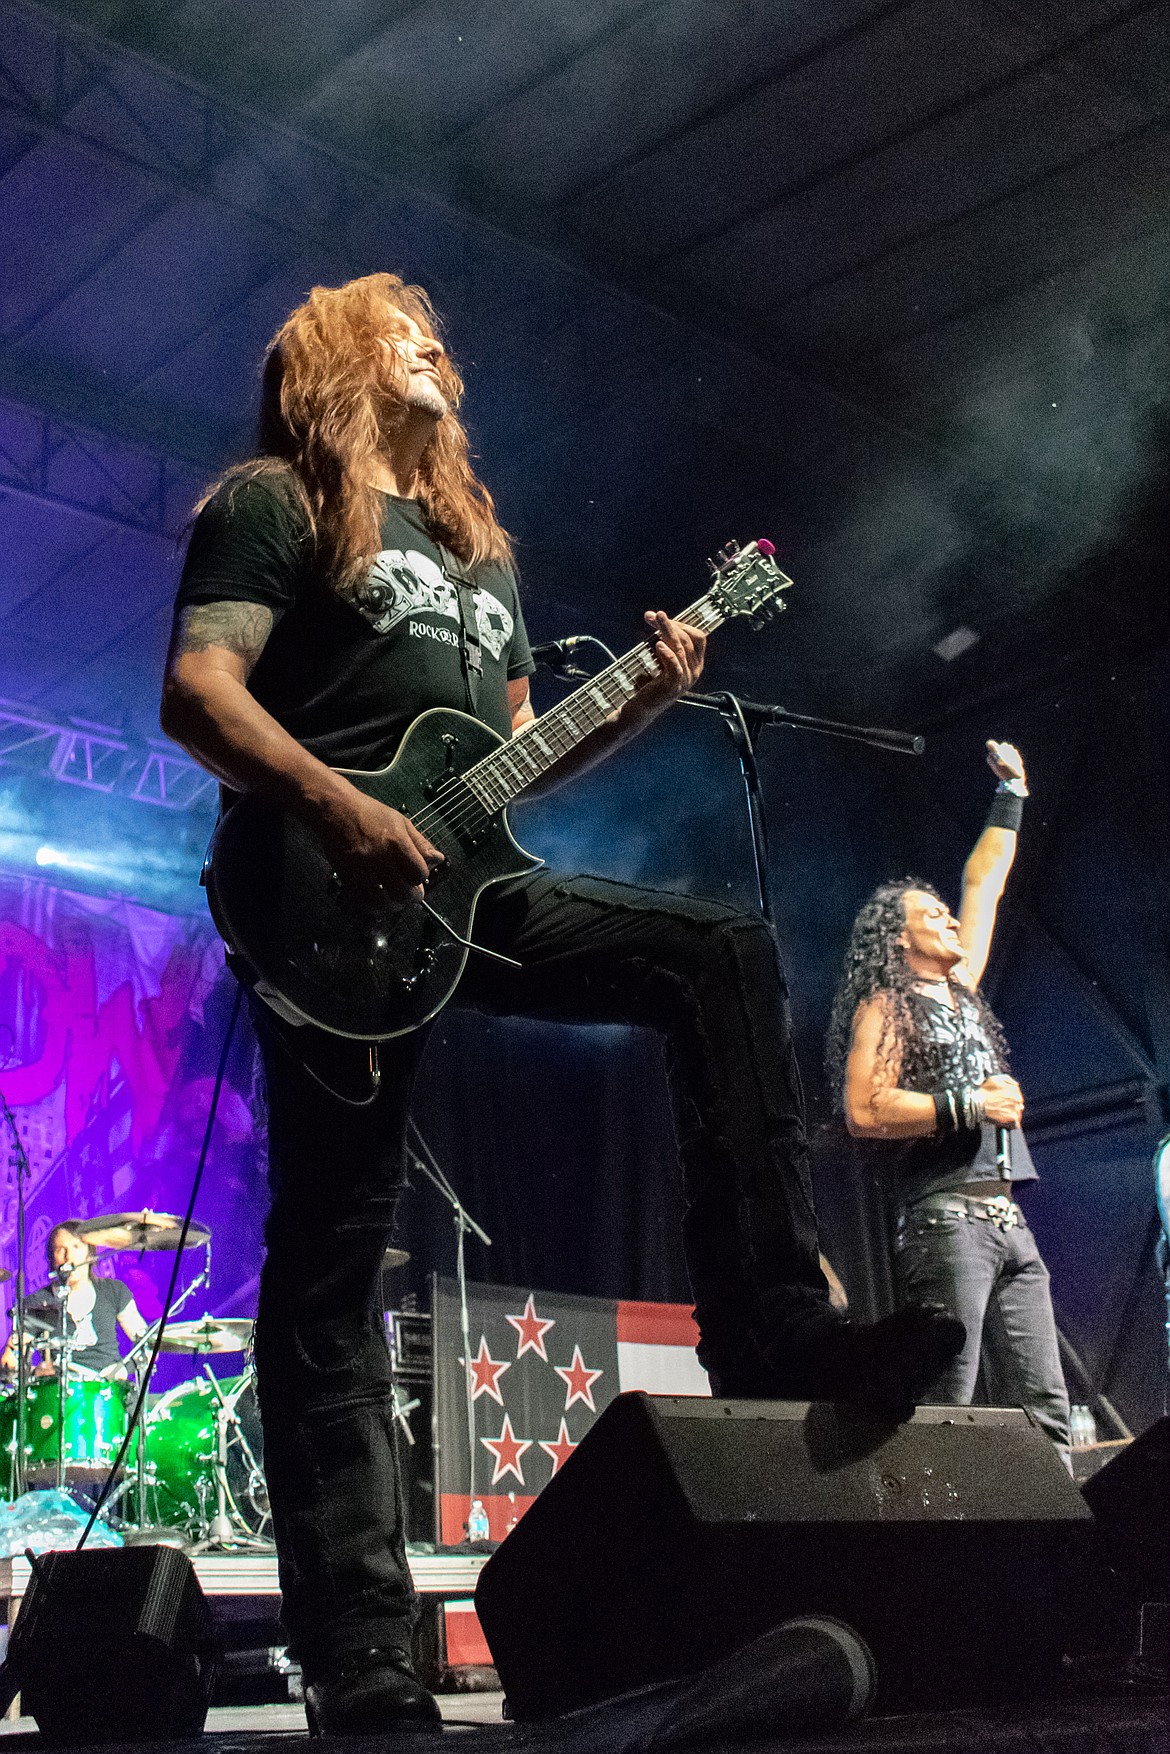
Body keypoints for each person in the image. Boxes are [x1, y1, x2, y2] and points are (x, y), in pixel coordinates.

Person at [160, 271, 963, 1736]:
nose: (434, 347)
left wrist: (644, 701)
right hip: (319, 899)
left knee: (714, 949)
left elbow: (508, 764)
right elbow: (200, 690)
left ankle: (776, 1328)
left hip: (466, 887)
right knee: (331, 1261)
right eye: (401, 330)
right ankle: (357, 1649)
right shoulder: (273, 503)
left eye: (439, 334)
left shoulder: (482, 553)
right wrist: (336, 808)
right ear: (336, 358)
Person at [827, 740, 1071, 1464]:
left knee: (1047, 1407)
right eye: (932, 917)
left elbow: (986, 879)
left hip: (1007, 1218)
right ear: (899, 940)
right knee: (947, 1401)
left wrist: (1013, 795)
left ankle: (1059, 1554)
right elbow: (864, 1109)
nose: (950, 921)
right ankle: (933, 1556)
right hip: (945, 1219)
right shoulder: (887, 1004)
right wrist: (971, 1102)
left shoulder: (961, 991)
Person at [1, 1223, 148, 1378]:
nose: (69, 1257)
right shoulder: (39, 1302)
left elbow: (147, 1346)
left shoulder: (113, 1291)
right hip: (59, 1394)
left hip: (110, 1392)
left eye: (76, 1247)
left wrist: (123, 1370)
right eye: (61, 1250)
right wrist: (36, 1372)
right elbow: (10, 1360)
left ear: (90, 1254)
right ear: (52, 1260)